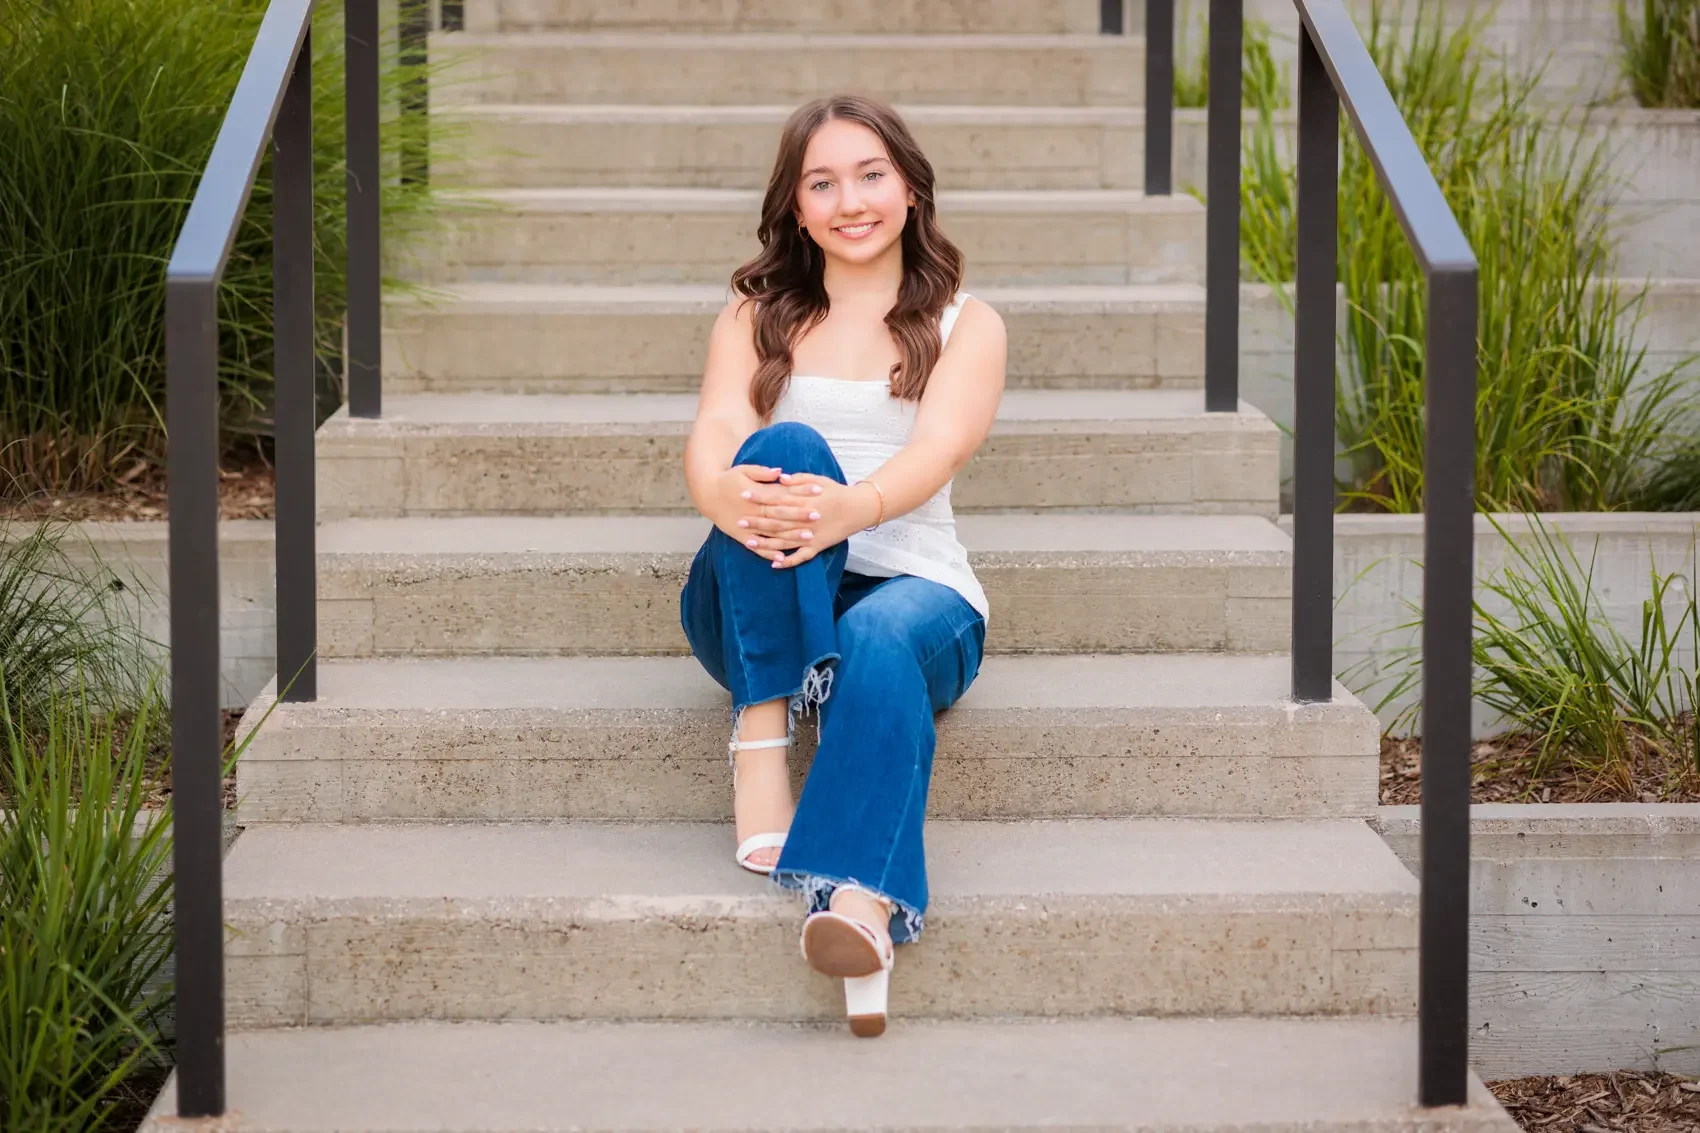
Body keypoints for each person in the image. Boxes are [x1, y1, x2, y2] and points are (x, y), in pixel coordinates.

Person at [678, 92, 1007, 1038]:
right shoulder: (755, 315)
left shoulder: (964, 324)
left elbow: (937, 448)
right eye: (821, 181)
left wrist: (847, 515)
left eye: (870, 175)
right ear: (795, 205)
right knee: (790, 444)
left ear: (909, 187)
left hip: (915, 591)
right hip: (753, 590)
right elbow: (716, 435)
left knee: (873, 630)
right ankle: (764, 725)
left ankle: (858, 907)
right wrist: (728, 494)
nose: (849, 199)